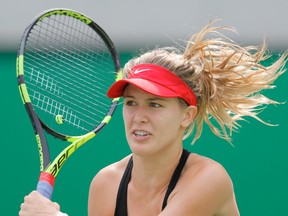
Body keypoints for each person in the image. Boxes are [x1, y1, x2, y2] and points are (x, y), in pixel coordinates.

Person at [19, 21, 287, 216]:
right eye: (131, 103)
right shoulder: (106, 183)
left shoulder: (209, 179)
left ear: (187, 115)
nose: (139, 117)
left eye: (155, 104)